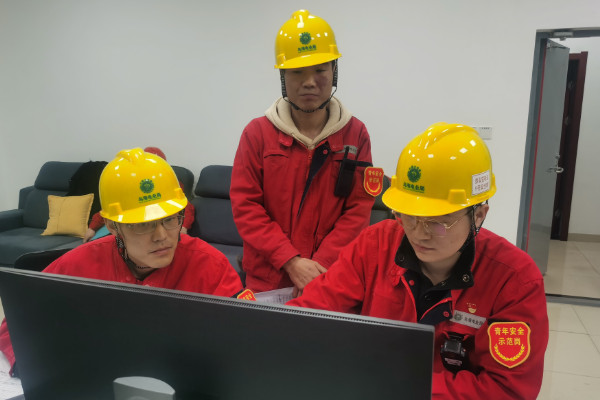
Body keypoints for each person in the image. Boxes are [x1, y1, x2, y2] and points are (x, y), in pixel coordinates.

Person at [288, 123, 549, 399]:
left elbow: (507, 390)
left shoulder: (515, 281)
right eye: (409, 216)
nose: (419, 234)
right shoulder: (374, 245)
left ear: (479, 215)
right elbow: (310, 313)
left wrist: (396, 384)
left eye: (438, 222)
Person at [0, 148, 247, 375]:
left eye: (171, 219)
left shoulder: (211, 267)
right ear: (112, 226)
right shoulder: (79, 264)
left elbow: (244, 338)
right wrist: (33, 365)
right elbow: (15, 323)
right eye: (143, 224)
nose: (161, 236)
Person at [230, 10, 378, 295]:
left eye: (320, 70)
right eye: (297, 71)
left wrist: (319, 266)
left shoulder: (356, 134)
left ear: (334, 70)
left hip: (329, 275)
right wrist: (291, 261)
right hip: (268, 279)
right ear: (283, 76)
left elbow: (359, 209)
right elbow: (246, 206)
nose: (309, 81)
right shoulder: (257, 134)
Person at [83, 146, 195, 242]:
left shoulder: (171, 183)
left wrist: (183, 227)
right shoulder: (128, 184)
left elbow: (185, 207)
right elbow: (112, 209)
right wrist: (92, 228)